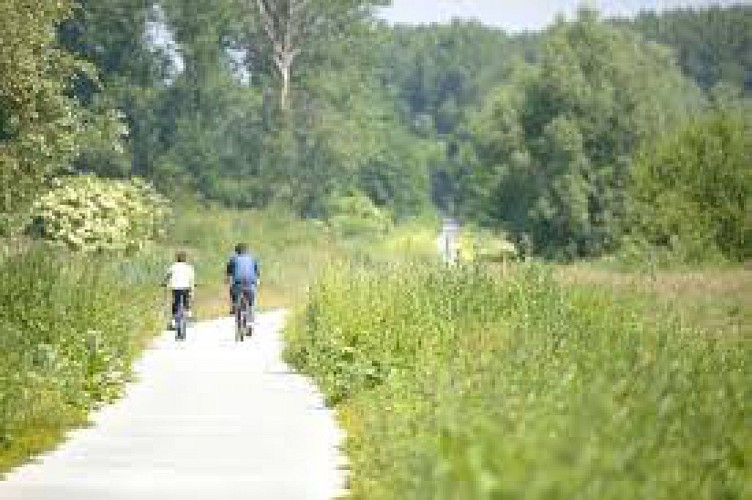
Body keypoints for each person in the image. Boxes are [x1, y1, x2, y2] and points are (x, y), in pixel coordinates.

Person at [225, 243, 259, 315]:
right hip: (250, 283)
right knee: (251, 300)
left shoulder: (233, 259)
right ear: (246, 251)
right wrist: (257, 281)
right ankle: (251, 310)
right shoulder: (252, 258)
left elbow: (229, 272)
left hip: (238, 283)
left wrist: (227, 279)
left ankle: (234, 306)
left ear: (236, 252)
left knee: (232, 290)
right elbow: (256, 271)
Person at [164, 251, 195, 327]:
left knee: (175, 302)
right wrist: (192, 288)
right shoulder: (189, 267)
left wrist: (164, 282)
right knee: (186, 300)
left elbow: (168, 275)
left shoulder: (173, 266)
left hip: (176, 287)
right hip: (186, 287)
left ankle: (174, 320)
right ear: (185, 259)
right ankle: (188, 315)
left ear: (177, 259)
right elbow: (192, 279)